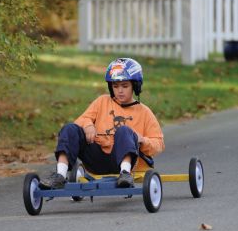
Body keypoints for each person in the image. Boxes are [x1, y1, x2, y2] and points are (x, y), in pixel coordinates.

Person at [39, 58, 165, 190]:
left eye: (125, 86)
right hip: (97, 160)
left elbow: (159, 144)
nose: (120, 91)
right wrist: (88, 125)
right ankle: (60, 174)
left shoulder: (144, 112)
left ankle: (125, 173)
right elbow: (81, 120)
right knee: (69, 129)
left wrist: (142, 140)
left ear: (136, 86)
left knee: (124, 130)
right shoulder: (102, 102)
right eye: (115, 86)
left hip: (125, 162)